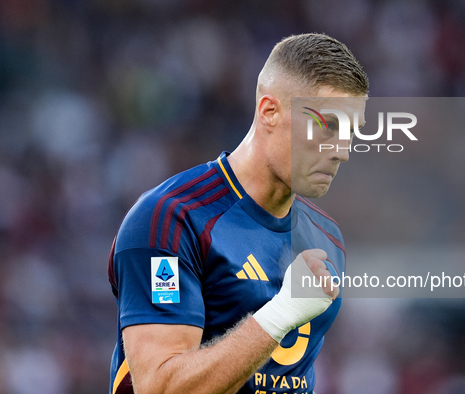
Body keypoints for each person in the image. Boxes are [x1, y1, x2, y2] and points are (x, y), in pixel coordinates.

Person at [108, 32, 369, 394]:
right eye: (327, 126)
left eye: (351, 132)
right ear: (269, 112)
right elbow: (160, 387)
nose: (342, 151)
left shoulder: (326, 238)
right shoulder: (171, 219)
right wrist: (284, 312)